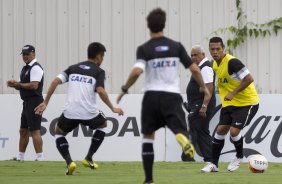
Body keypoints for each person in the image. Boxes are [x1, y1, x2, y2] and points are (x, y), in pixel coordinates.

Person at [116, 8, 210, 184]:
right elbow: (195, 69)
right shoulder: (176, 46)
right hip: (171, 96)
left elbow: (137, 71)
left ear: (148, 26)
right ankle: (183, 138)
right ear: (164, 24)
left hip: (151, 96)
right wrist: (204, 87)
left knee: (148, 136)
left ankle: (149, 179)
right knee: (179, 129)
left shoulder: (144, 48)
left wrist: (124, 89)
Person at [34, 42, 124, 175]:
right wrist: (112, 108)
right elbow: (100, 90)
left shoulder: (73, 68)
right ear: (98, 56)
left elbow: (55, 82)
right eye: (103, 56)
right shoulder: (99, 71)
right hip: (89, 113)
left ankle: (70, 162)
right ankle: (88, 158)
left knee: (58, 133)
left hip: (70, 112)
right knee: (103, 124)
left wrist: (46, 102)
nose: (102, 60)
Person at [201, 37, 259, 172]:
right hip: (229, 104)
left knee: (233, 131)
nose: (215, 52)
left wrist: (233, 93)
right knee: (220, 130)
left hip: (247, 103)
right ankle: (213, 164)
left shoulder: (232, 62)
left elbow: (249, 78)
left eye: (218, 49)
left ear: (223, 49)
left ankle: (239, 156)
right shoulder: (215, 64)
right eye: (212, 49)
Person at [7, 45, 44, 161]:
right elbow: (23, 86)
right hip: (27, 102)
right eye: (23, 54)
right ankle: (20, 157)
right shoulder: (25, 68)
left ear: (34, 54)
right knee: (23, 130)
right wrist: (15, 84)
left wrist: (18, 85)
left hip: (35, 101)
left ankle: (40, 157)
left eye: (27, 54)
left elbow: (34, 85)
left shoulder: (36, 67)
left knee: (34, 130)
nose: (25, 56)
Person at [182, 45, 216, 162]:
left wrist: (203, 106)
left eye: (195, 55)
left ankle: (187, 156)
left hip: (201, 104)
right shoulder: (200, 67)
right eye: (191, 55)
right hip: (198, 104)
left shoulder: (205, 67)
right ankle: (210, 157)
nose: (193, 57)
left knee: (193, 128)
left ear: (203, 55)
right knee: (202, 131)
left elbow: (209, 88)